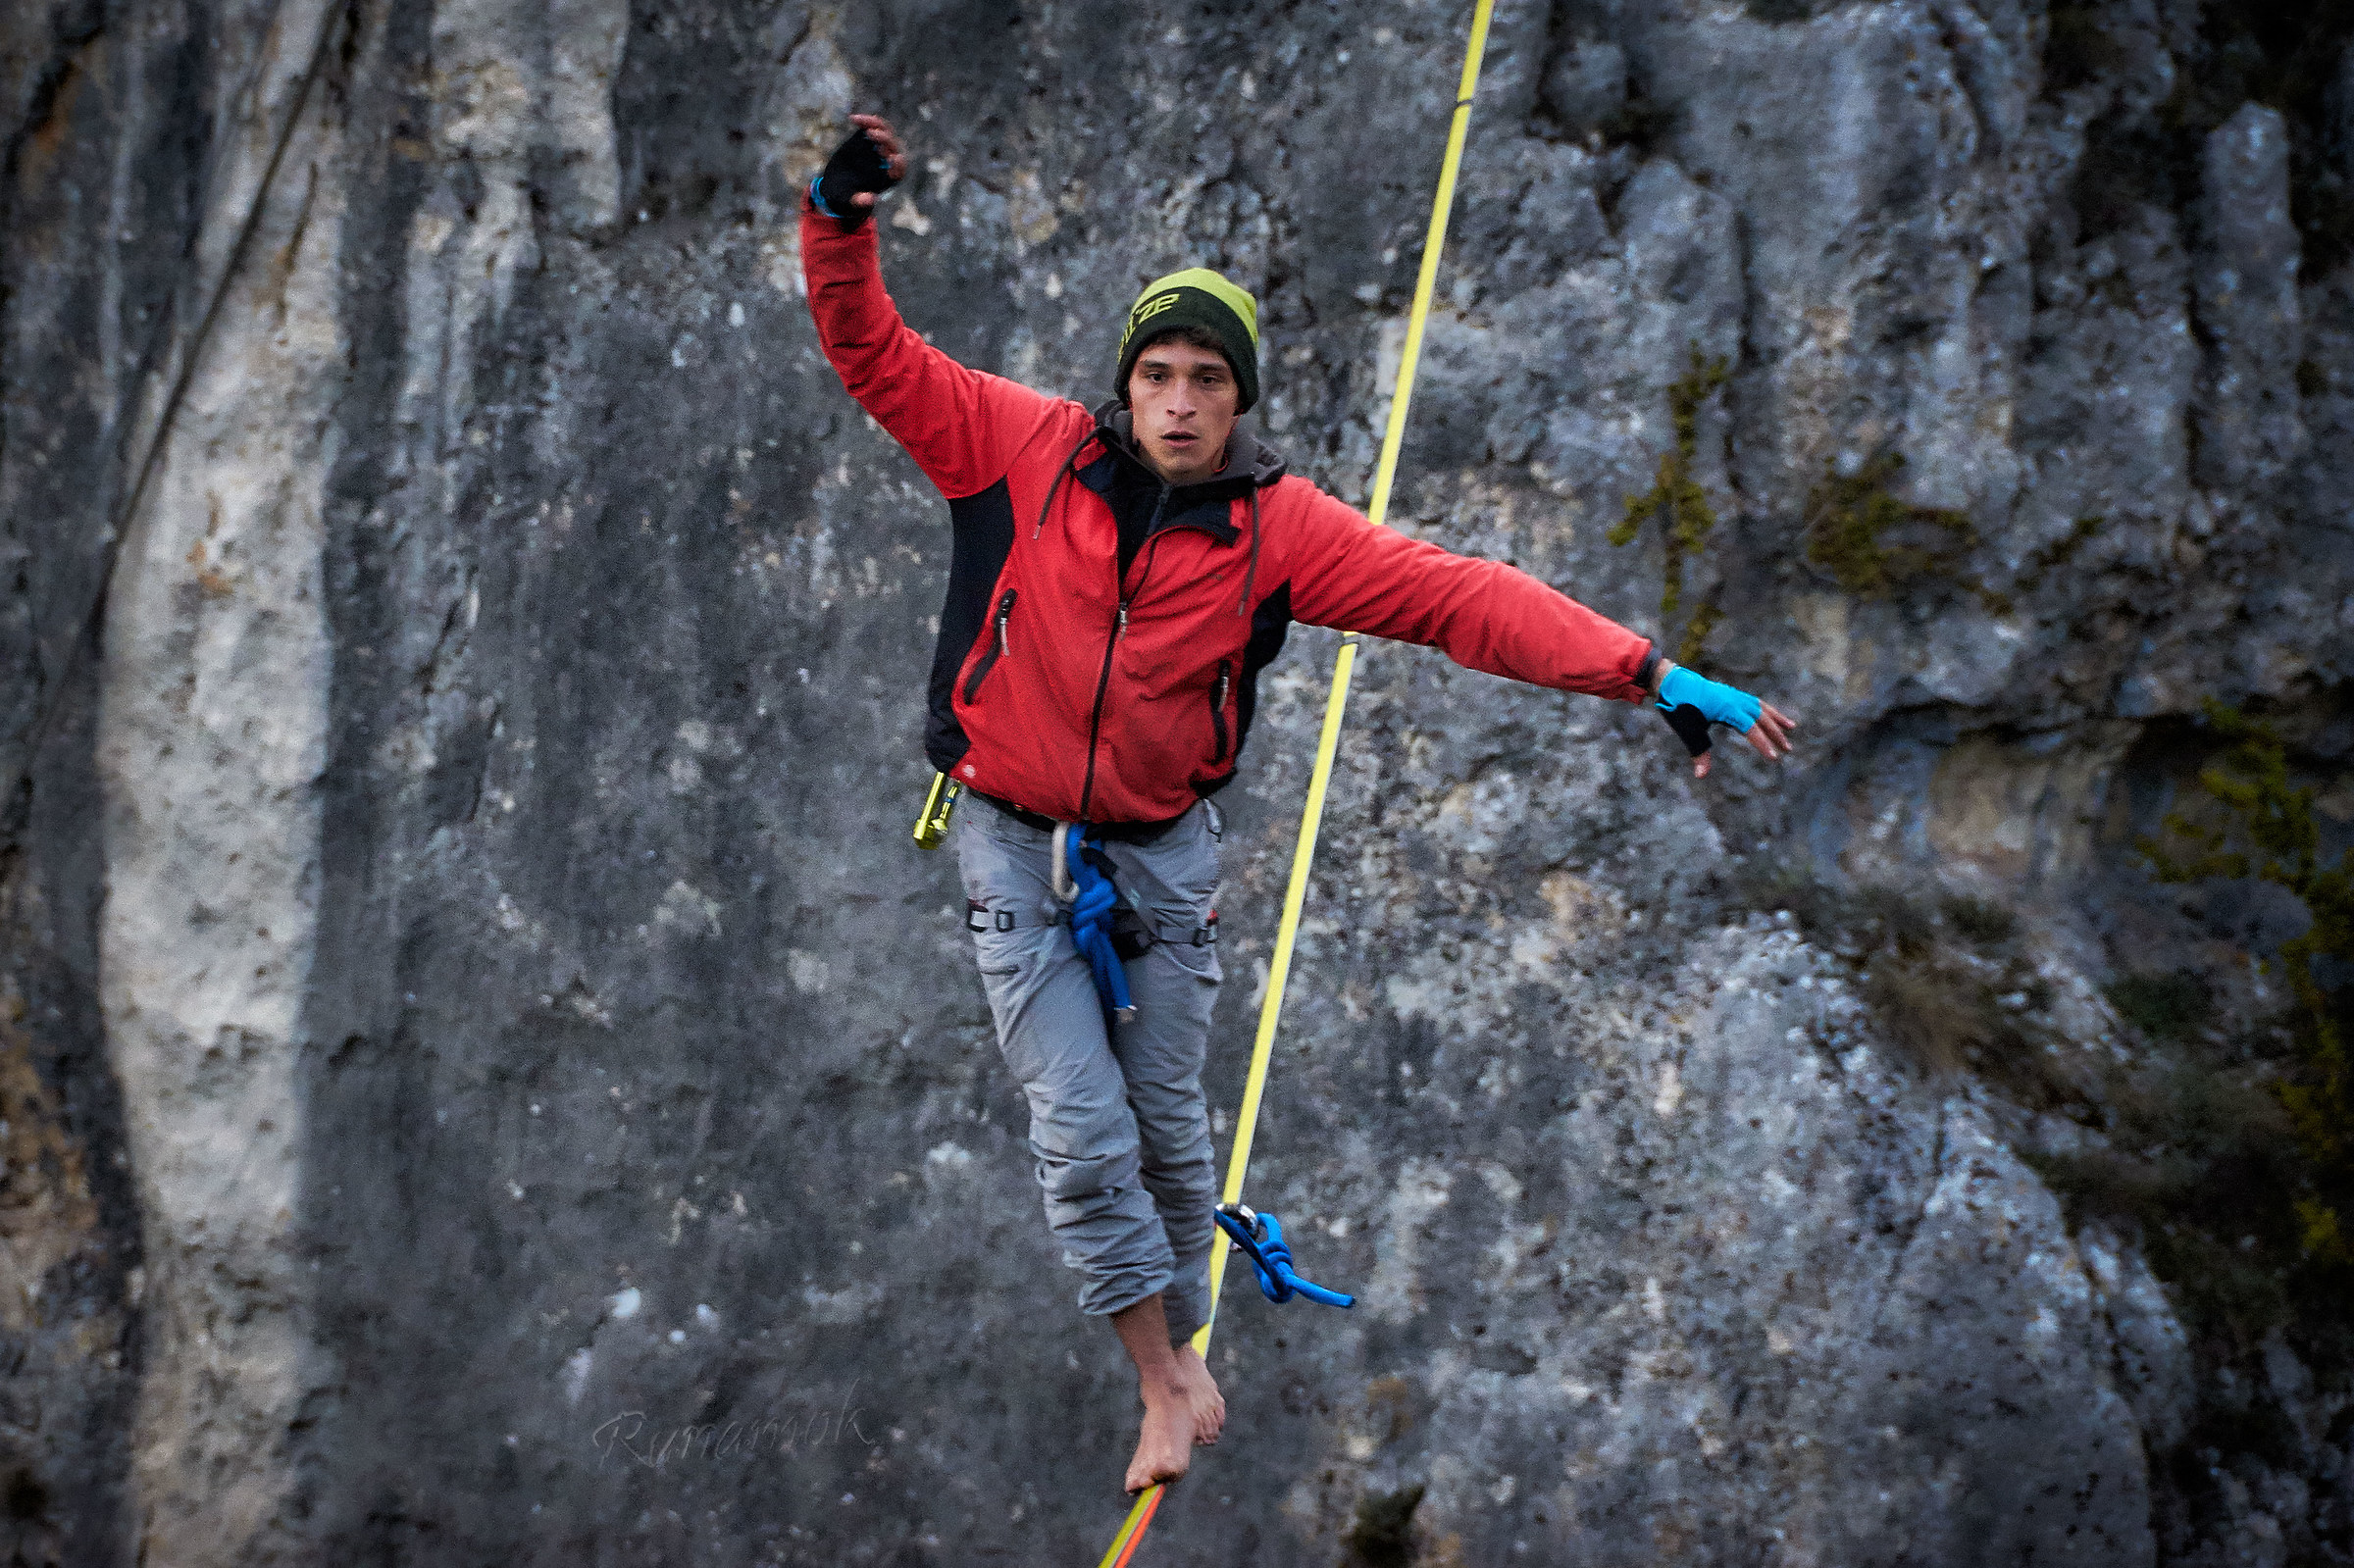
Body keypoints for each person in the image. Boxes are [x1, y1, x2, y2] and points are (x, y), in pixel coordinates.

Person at [800, 115, 1797, 1493]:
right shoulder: (1020, 452)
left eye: (1208, 378)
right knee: (1083, 1133)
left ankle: (1183, 1343)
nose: (1181, 400)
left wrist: (1648, 672)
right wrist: (840, 216)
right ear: (1125, 387)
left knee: (1169, 1132)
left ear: (1238, 398)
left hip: (1160, 859)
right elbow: (872, 354)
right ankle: (1158, 1376)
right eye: (1157, 374)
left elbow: (1460, 598)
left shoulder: (1277, 531)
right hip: (1014, 848)